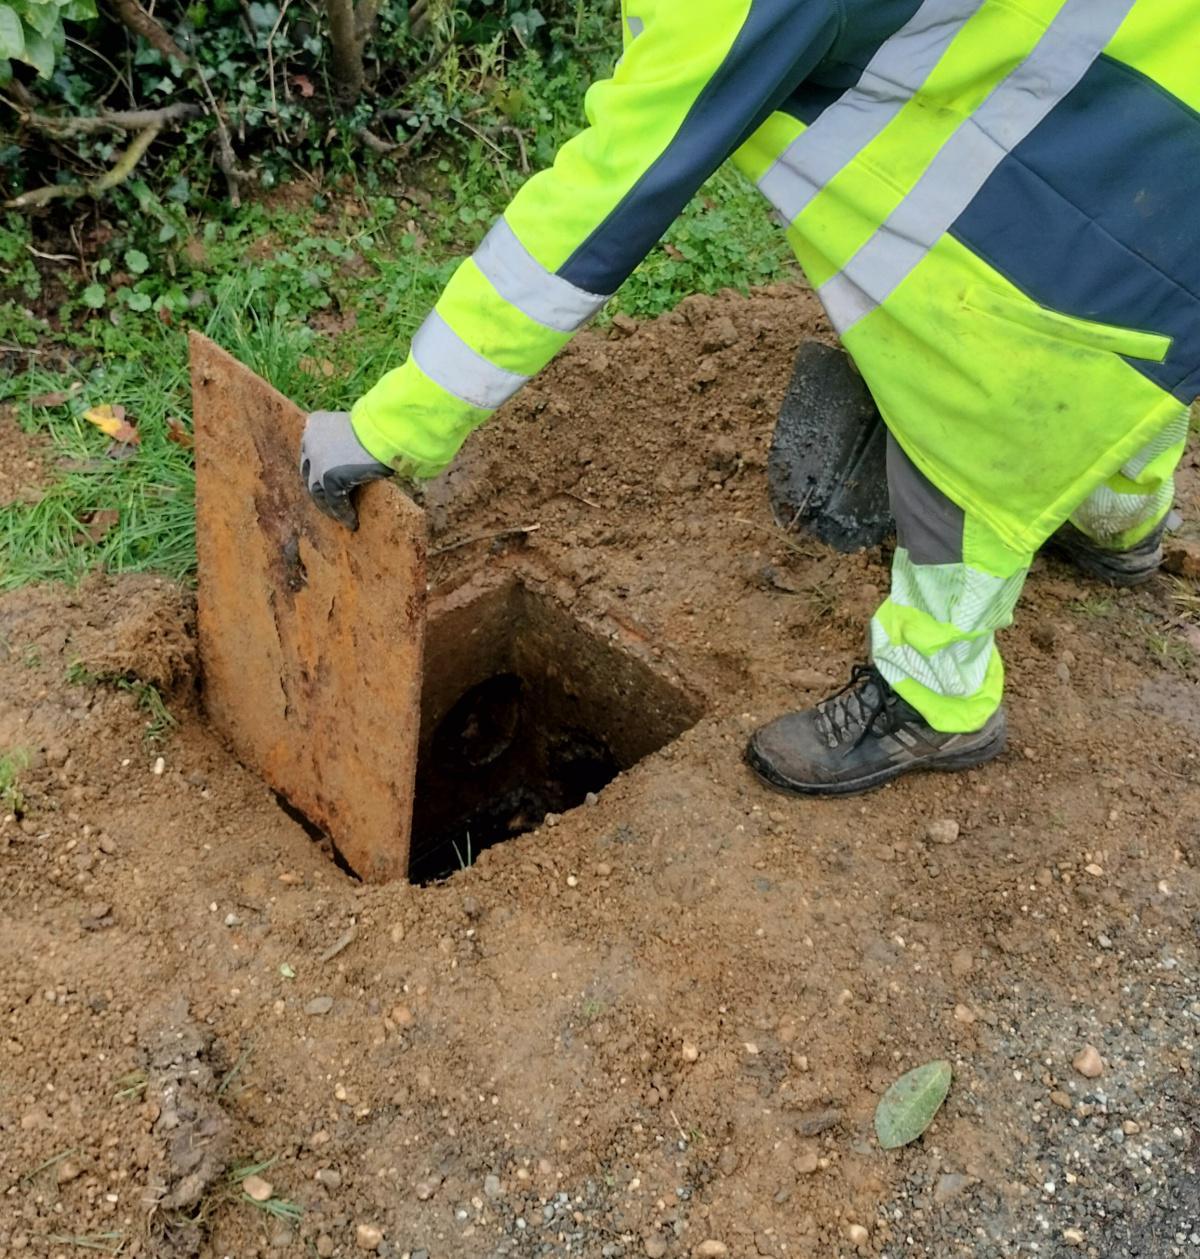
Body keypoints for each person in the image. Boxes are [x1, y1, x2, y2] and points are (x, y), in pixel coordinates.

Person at [300, 0, 1198, 797]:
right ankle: (1118, 515)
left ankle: (935, 695)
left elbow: (607, 197)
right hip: (1160, 105)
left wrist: (397, 422)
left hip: (1073, 206)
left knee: (974, 392)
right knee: (1140, 336)